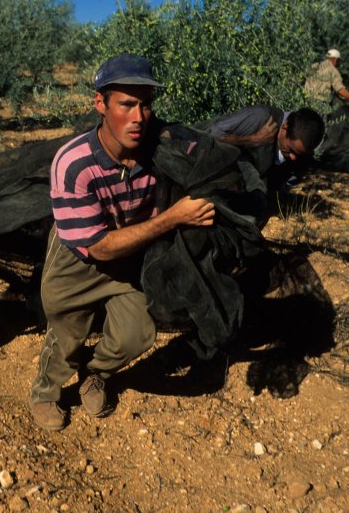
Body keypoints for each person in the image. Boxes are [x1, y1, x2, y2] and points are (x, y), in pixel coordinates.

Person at [29, 53, 216, 431]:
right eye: (126, 104)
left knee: (138, 334)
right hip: (78, 259)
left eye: (145, 104)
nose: (138, 117)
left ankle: (95, 373)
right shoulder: (74, 164)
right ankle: (45, 392)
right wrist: (174, 217)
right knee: (67, 333)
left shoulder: (158, 147)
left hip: (130, 254)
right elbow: (97, 247)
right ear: (100, 103)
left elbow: (207, 151)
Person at [206, 105, 325, 223]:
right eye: (291, 150)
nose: (294, 157)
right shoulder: (260, 118)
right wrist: (253, 140)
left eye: (299, 155)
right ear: (284, 128)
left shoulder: (302, 159)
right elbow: (210, 137)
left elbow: (280, 189)